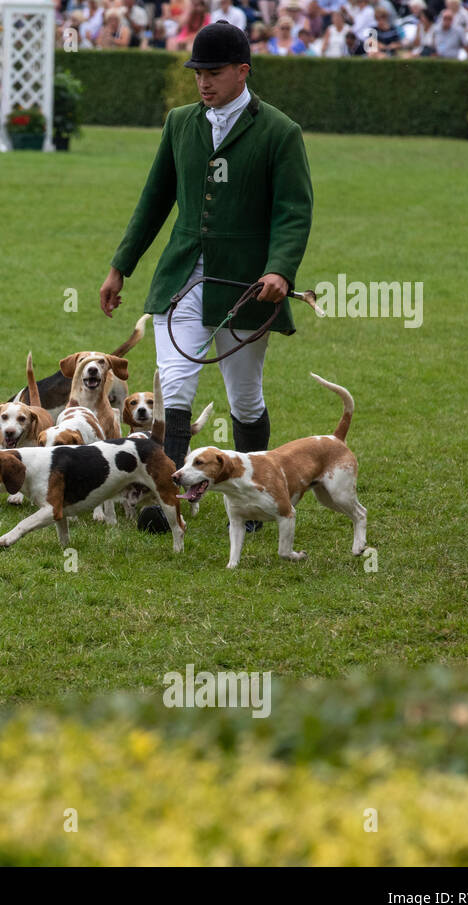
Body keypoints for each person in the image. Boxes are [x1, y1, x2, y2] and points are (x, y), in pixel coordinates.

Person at [99, 22, 313, 533]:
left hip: (246, 284)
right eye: (197, 72)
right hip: (182, 275)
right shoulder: (180, 123)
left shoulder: (280, 132)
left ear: (243, 71)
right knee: (174, 385)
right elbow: (154, 199)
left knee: (244, 396)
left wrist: (280, 268)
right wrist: (119, 265)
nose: (203, 82)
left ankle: (255, 493)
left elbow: (293, 210)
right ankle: (166, 501)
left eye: (214, 73)